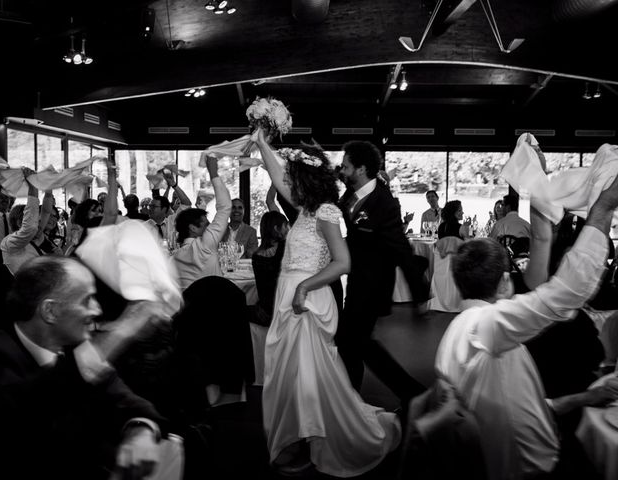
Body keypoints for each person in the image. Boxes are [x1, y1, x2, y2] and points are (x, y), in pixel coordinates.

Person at [435, 177, 618, 480]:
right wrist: (605, 206)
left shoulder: (462, 329)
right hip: (532, 467)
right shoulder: (487, 327)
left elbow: (520, 406)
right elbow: (566, 291)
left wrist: (583, 399)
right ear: (506, 282)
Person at [253, 131, 401, 477]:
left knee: (308, 377)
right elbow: (276, 173)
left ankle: (312, 440)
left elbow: (342, 263)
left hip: (309, 302)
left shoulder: (327, 212)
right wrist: (261, 141)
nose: (286, 180)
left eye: (292, 177)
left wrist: (304, 287)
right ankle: (301, 437)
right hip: (289, 300)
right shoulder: (304, 209)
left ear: (305, 179)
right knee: (290, 374)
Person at [0, 256, 172, 480]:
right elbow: (33, 413)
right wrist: (120, 332)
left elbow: (134, 405)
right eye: (87, 300)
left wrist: (141, 431)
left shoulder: (76, 351)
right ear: (50, 311)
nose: (97, 310)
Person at [335, 140, 427, 406]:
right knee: (352, 342)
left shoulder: (384, 203)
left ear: (361, 169)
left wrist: (419, 293)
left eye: (347, 166)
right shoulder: (351, 191)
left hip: (374, 285)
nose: (343, 170)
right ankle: (352, 396)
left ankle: (412, 394)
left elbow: (401, 248)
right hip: (356, 281)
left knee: (357, 341)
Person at [172, 156, 231, 289]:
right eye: (206, 224)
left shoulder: (174, 258)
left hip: (187, 308)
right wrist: (213, 173)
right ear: (193, 228)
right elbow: (225, 207)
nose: (209, 228)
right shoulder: (204, 246)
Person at [251, 210, 289, 326]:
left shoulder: (256, 256)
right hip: (282, 312)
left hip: (264, 312)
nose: (288, 229)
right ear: (277, 229)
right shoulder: (286, 249)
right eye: (285, 226)